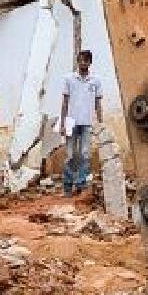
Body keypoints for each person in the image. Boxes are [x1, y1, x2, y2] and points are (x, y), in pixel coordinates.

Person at [58, 49, 103, 197]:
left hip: (87, 122)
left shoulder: (95, 81)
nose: (83, 63)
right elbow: (64, 102)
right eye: (81, 60)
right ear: (78, 62)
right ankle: (67, 186)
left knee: (85, 154)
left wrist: (100, 122)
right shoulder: (69, 79)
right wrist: (63, 123)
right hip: (71, 121)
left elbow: (98, 103)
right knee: (70, 155)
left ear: (90, 62)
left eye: (86, 60)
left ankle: (81, 182)